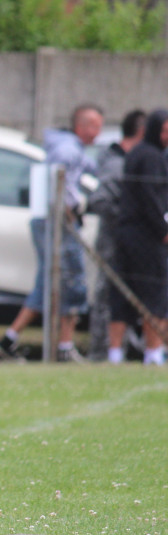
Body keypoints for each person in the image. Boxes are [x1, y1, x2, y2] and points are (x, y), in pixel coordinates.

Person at [0, 104, 104, 363]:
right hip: (57, 221)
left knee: (48, 282)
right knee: (72, 279)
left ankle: (9, 340)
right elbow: (58, 180)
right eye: (95, 126)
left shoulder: (70, 147)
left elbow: (91, 168)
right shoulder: (66, 149)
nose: (97, 132)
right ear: (81, 126)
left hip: (50, 219)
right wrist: (67, 209)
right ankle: (64, 346)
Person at [107, 108, 168, 365]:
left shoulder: (136, 153)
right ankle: (153, 352)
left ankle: (115, 352)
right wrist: (163, 231)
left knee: (123, 291)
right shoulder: (152, 157)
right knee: (155, 290)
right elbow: (150, 198)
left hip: (126, 233)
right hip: (146, 235)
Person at [87, 110, 147, 361]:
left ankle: (125, 350)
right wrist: (128, 219)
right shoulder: (116, 164)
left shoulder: (131, 160)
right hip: (113, 243)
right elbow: (99, 201)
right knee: (106, 298)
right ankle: (103, 354)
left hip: (129, 243)